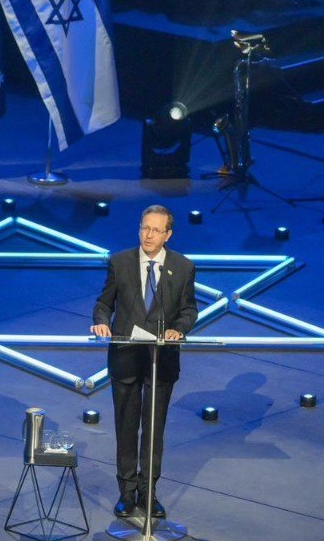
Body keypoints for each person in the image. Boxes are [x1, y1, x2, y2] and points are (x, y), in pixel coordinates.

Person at [91, 204, 197, 520]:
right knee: (126, 427)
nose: (148, 235)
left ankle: (148, 493)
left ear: (168, 235)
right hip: (125, 356)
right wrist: (101, 322)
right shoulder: (120, 262)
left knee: (153, 430)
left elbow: (189, 310)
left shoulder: (183, 267)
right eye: (144, 228)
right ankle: (126, 493)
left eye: (155, 230)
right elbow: (104, 303)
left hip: (160, 360)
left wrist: (179, 329)